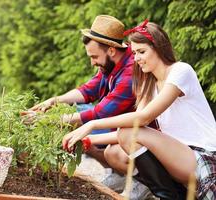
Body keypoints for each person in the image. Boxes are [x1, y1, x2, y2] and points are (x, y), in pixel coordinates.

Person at [62, 19, 216, 200]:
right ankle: (175, 195)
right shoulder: (148, 84)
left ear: (159, 48)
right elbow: (129, 129)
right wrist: (86, 140)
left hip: (202, 157)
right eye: (134, 53)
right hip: (178, 157)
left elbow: (142, 118)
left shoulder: (180, 71)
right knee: (112, 152)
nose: (136, 59)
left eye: (142, 52)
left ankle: (169, 197)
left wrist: (91, 125)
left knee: (128, 133)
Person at [22, 15, 152, 198]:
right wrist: (54, 101)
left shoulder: (131, 71)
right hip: (120, 128)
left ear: (112, 51)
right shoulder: (110, 66)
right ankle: (119, 174)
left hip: (140, 135)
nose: (92, 62)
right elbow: (87, 91)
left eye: (94, 57)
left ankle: (143, 181)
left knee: (81, 132)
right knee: (78, 125)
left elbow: (100, 114)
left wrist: (52, 120)